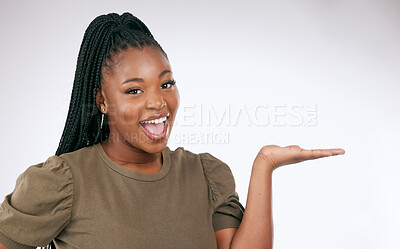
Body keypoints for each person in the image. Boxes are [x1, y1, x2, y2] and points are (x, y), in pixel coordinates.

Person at [0, 12, 345, 249]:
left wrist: (265, 165)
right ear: (102, 101)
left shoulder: (206, 174)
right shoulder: (63, 181)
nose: (157, 102)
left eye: (166, 84)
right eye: (134, 90)